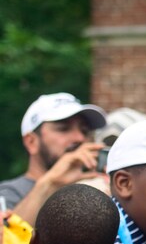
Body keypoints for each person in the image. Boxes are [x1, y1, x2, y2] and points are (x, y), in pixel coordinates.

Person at [0, 93, 107, 226]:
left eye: (84, 131)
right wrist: (50, 183)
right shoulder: (7, 195)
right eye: (63, 129)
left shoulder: (95, 190)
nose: (79, 138)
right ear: (31, 142)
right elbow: (7, 243)